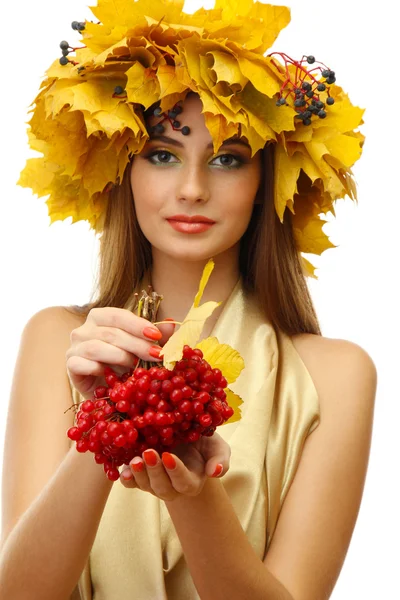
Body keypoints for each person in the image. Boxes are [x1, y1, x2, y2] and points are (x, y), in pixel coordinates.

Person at [0, 1, 377, 599]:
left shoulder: (336, 375)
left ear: (265, 184)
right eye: (162, 154)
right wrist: (107, 424)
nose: (193, 188)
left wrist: (196, 492)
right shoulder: (56, 341)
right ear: (124, 171)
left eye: (228, 159)